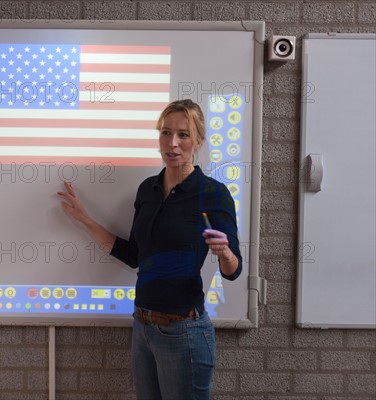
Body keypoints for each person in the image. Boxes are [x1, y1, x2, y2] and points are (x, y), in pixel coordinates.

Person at [57, 99, 242, 400]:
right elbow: (133, 256)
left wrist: (225, 254)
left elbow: (234, 271)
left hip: (184, 332)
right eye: (166, 133)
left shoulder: (212, 193)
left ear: (198, 140)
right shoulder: (148, 189)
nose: (173, 143)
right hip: (143, 328)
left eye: (183, 134)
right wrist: (84, 219)